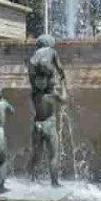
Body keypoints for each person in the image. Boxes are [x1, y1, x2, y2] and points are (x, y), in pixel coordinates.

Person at [27, 34, 68, 187]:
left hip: (37, 125)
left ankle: (31, 180)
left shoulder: (34, 94)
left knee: (36, 155)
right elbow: (65, 100)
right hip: (49, 125)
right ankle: (55, 183)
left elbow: (32, 77)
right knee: (53, 155)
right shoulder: (53, 95)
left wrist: (33, 76)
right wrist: (63, 82)